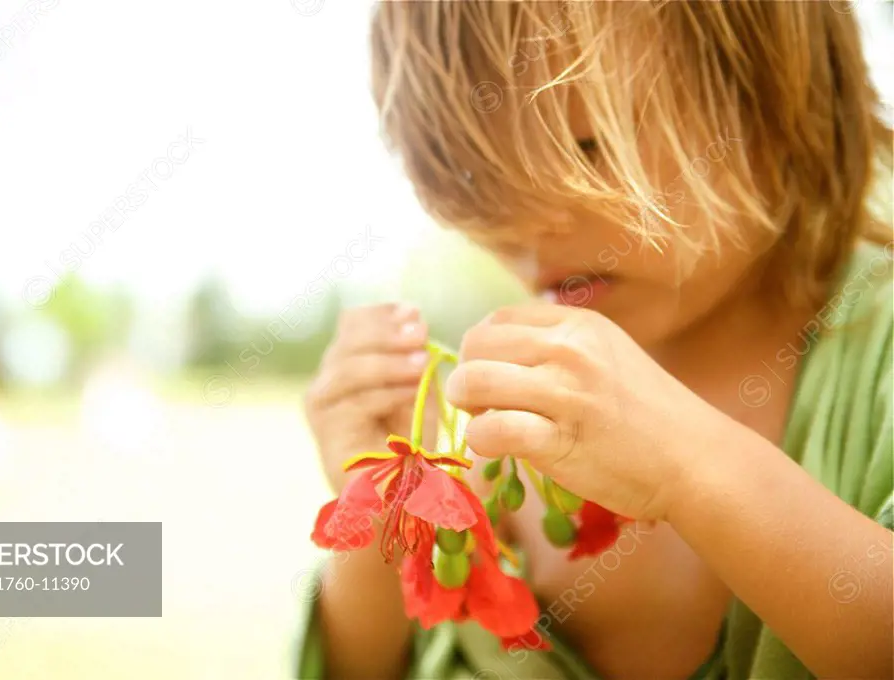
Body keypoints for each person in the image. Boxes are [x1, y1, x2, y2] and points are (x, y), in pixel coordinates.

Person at [297, 2, 893, 678]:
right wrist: (380, 517)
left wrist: (692, 469)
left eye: (587, 147)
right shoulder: (481, 435)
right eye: (478, 179)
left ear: (775, 95)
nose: (524, 227)